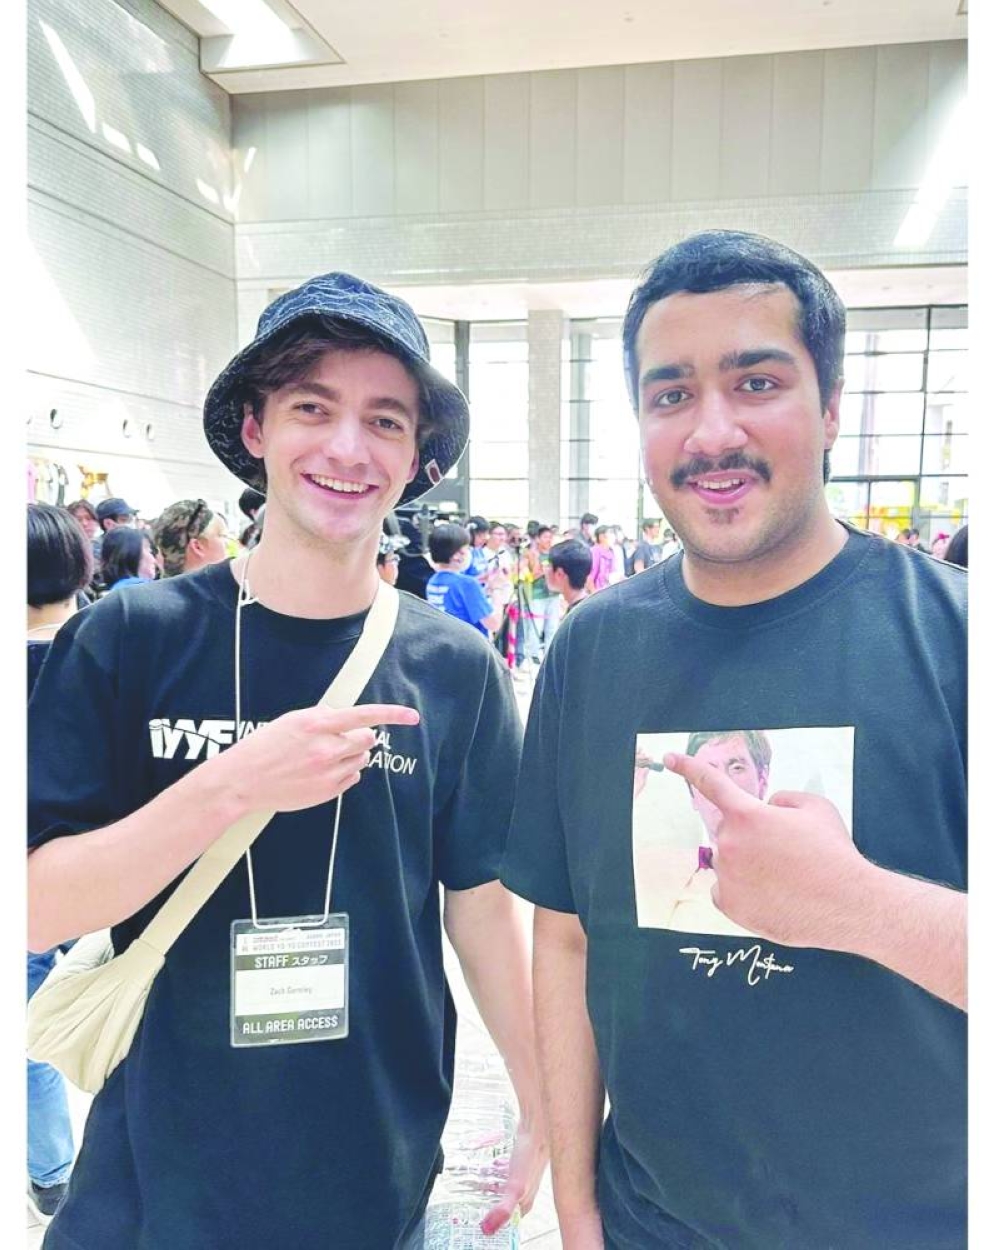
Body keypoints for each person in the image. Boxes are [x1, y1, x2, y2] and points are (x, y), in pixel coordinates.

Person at [28, 273, 546, 1250]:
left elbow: (479, 904)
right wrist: (231, 783)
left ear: (416, 458)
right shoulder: (133, 634)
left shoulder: (454, 668)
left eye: (385, 420)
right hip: (158, 1173)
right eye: (314, 406)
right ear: (256, 426)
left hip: (372, 1163)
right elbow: (38, 903)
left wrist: (540, 1097)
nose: (349, 447)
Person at [502, 229, 966, 1249]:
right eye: (670, 394)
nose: (710, 431)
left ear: (832, 406)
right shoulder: (593, 648)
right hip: (649, 1224)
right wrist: (577, 1209)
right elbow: (568, 935)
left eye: (755, 381)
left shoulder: (957, 641)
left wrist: (860, 904)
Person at [26, 504, 94, 1225]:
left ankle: (51, 1170)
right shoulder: (109, 648)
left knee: (29, 1031)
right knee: (132, 1010)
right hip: (109, 870)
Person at [426, 522, 502, 637]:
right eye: (467, 549)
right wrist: (496, 589)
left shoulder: (433, 581)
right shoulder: (467, 584)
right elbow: (493, 624)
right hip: (470, 646)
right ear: (457, 555)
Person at [150, 498, 230, 578]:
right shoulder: (224, 588)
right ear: (197, 547)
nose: (228, 544)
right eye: (223, 536)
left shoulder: (156, 588)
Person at [99, 526, 157, 590]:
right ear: (131, 554)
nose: (154, 559)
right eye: (149, 551)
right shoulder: (144, 591)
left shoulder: (116, 593)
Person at [544, 539, 591, 615]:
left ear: (559, 574)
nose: (545, 570)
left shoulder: (575, 617)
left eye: (548, 565)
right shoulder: (588, 607)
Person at [589, 525, 614, 591]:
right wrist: (593, 592)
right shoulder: (595, 551)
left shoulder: (611, 551)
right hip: (595, 591)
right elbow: (590, 575)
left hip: (607, 589)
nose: (613, 536)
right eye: (610, 533)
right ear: (601, 536)